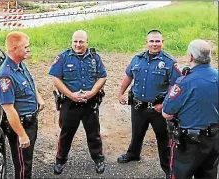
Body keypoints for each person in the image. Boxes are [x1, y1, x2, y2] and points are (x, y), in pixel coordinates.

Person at [117, 29, 181, 177]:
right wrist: (120, 92)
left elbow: (175, 86)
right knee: (137, 133)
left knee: (163, 139)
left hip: (158, 109)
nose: (154, 44)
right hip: (138, 106)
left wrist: (165, 104)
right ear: (146, 43)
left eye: (157, 41)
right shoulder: (137, 59)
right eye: (151, 41)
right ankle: (133, 154)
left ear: (162, 43)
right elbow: (128, 76)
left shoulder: (169, 62)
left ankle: (168, 168)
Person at [48, 30, 107, 175]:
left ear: (87, 42)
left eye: (81, 41)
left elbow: (102, 77)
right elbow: (56, 79)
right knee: (66, 134)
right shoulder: (63, 57)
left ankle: (98, 159)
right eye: (75, 41)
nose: (78, 44)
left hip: (90, 103)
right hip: (70, 104)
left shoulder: (95, 58)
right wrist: (71, 95)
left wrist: (92, 92)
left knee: (94, 134)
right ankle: (60, 160)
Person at [162, 39, 219, 179]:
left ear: (191, 57)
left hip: (190, 143)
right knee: (208, 174)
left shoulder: (185, 82)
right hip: (214, 138)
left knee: (180, 174)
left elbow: (166, 113)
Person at [0, 31, 45, 179]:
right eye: (26, 47)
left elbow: (30, 82)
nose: (29, 49)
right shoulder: (6, 76)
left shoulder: (19, 64)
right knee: (23, 166)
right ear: (14, 49)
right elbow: (9, 109)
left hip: (30, 122)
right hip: (20, 127)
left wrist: (38, 98)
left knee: (27, 161)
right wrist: (22, 135)